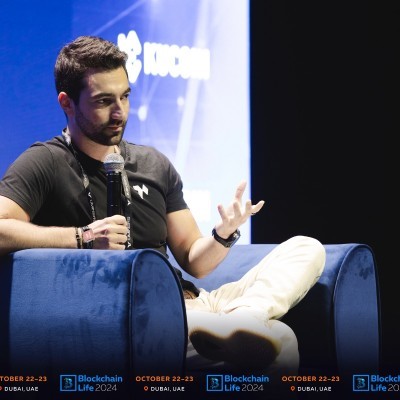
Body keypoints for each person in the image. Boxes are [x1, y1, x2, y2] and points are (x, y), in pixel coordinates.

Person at [0, 36, 325, 375]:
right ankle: (240, 327)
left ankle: (245, 317)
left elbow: (195, 260)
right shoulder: (46, 162)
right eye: (104, 101)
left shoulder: (153, 163)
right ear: (67, 103)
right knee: (282, 342)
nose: (119, 112)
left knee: (306, 248)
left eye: (125, 96)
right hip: (139, 318)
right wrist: (82, 237)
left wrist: (223, 234)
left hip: (198, 302)